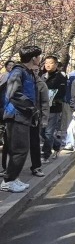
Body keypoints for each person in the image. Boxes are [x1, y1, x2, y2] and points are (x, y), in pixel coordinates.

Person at [1, 46, 43, 193]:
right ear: (33, 58)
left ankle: (13, 178)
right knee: (19, 150)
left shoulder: (27, 72)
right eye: (39, 56)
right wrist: (31, 107)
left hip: (23, 116)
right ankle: (8, 181)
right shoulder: (18, 71)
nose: (40, 59)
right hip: (16, 115)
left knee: (20, 149)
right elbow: (14, 93)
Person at [41, 56, 67, 162]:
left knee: (48, 132)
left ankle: (45, 155)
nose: (48, 65)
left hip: (54, 108)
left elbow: (62, 93)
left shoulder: (61, 77)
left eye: (51, 63)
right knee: (42, 132)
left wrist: (53, 98)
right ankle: (57, 145)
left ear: (56, 64)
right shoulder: (42, 76)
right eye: (46, 63)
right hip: (42, 108)